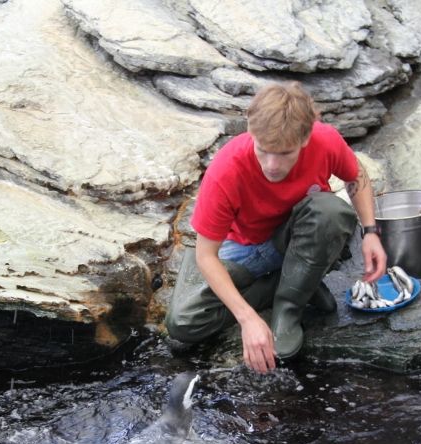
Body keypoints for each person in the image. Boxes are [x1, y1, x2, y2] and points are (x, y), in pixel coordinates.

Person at [165, 81, 386, 374]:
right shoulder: (226, 168)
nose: (272, 165)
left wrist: (370, 232)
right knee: (183, 323)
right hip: (245, 248)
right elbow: (206, 256)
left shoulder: (324, 140)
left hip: (305, 232)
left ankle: (288, 309)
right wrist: (247, 318)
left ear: (305, 137)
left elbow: (356, 174)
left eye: (285, 153)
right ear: (251, 130)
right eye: (264, 150)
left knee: (330, 211)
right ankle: (301, 283)